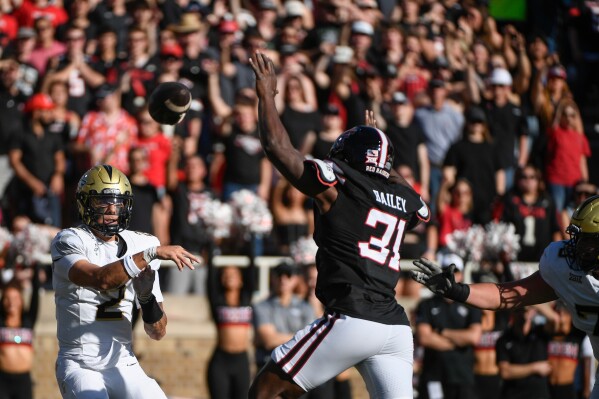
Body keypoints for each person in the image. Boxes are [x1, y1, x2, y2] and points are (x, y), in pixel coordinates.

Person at [248, 52, 430, 399]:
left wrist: (267, 97)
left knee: (265, 392)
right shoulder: (403, 196)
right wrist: (384, 155)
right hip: (395, 327)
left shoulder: (341, 184)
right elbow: (422, 209)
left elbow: (277, 147)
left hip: (353, 317)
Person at [410, 193, 599, 399]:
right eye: (578, 238)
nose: (577, 247)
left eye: (587, 241)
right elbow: (507, 295)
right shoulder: (563, 266)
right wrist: (456, 290)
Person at [50, 164, 200, 398]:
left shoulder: (142, 243)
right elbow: (101, 279)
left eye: (118, 202)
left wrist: (145, 297)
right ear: (85, 203)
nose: (112, 209)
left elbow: (157, 332)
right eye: (102, 201)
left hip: (123, 362)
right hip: (81, 365)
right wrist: (151, 254)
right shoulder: (70, 240)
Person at [414, 253, 482, 399]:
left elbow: (474, 337)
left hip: (462, 376)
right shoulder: (427, 304)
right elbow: (424, 337)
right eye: (446, 271)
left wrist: (441, 332)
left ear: (462, 274)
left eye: (455, 271)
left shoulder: (472, 305)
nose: (451, 276)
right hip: (434, 376)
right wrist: (458, 342)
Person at [0, 268, 40, 399]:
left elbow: (35, 296)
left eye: (15, 298)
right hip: (3, 380)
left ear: (21, 300)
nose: (11, 302)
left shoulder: (28, 321)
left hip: (24, 380)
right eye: (7, 298)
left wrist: (36, 266)